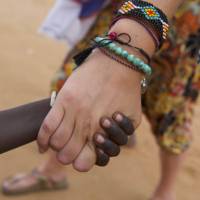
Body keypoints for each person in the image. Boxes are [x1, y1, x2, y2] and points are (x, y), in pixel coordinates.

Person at [2, 1, 200, 200]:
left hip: (183, 23)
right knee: (73, 85)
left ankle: (165, 192)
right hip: (123, 12)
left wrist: (125, 49)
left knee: (171, 110)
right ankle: (52, 171)